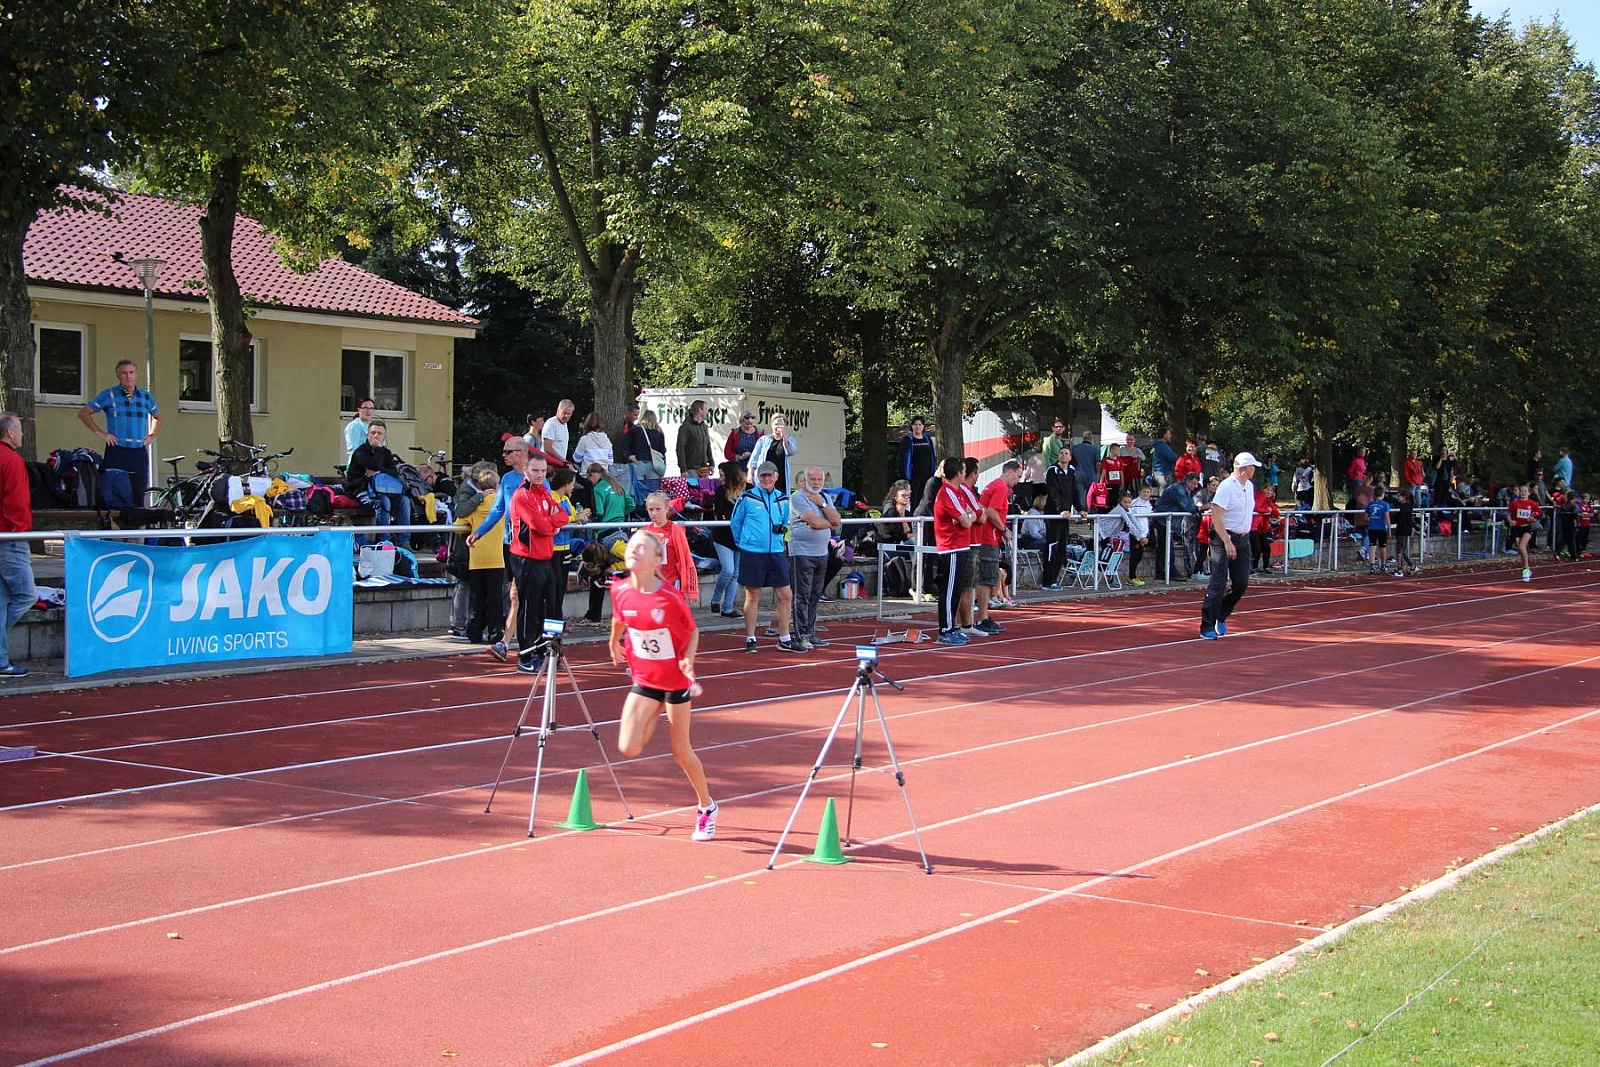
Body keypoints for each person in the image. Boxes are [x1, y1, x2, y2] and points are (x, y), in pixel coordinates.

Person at [609, 528, 718, 841]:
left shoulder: (669, 596)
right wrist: (613, 641)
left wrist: (688, 660)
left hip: (674, 680)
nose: (634, 550)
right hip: (644, 677)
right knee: (628, 746)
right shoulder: (619, 589)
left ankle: (706, 807)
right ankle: (653, 710)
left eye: (643, 546)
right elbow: (619, 618)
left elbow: (693, 631)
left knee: (680, 751)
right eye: (632, 545)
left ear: (658, 559)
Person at [468, 435, 529, 662]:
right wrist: (479, 532)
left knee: (522, 595)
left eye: (508, 452)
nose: (503, 455)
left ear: (521, 453)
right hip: (511, 545)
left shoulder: (535, 475)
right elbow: (497, 510)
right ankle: (508, 643)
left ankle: (525, 642)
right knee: (515, 595)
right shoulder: (506, 479)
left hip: (530, 547)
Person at [508, 451, 569, 673]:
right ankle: (526, 656)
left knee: (551, 605)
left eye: (543, 471)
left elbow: (563, 515)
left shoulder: (544, 491)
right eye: (535, 470)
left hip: (546, 557)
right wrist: (551, 523)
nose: (539, 475)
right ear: (526, 470)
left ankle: (547, 650)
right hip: (526, 558)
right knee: (530, 607)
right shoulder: (522, 496)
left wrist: (550, 521)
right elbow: (539, 525)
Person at [731, 461, 799, 653]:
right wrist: (745, 543)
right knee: (753, 595)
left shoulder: (783, 499)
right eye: (763, 476)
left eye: (770, 475)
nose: (767, 479)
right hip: (753, 553)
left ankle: (784, 637)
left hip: (776, 553)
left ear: (776, 477)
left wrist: (780, 536)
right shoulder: (747, 498)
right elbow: (736, 524)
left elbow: (785, 523)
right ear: (757, 478)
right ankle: (751, 638)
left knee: (785, 595)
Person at [79, 358, 160, 503]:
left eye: (131, 372)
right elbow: (84, 413)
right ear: (118, 375)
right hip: (117, 451)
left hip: (138, 452)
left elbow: (157, 417)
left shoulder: (146, 397)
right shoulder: (109, 395)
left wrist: (152, 435)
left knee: (138, 493)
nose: (128, 376)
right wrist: (101, 433)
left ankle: (136, 524)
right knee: (114, 493)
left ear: (136, 374)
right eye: (124, 373)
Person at [1200, 451, 1261, 640]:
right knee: (1218, 582)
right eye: (1252, 467)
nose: (1254, 471)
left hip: (1243, 538)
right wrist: (1227, 541)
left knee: (1241, 582)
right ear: (1244, 469)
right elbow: (1216, 515)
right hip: (1222, 538)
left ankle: (1222, 613)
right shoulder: (1226, 487)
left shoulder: (1249, 486)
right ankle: (1206, 625)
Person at [0, 413, 37, 679]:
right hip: (10, 536)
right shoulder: (11, 460)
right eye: (20, 430)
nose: (23, 434)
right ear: (10, 433)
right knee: (27, 594)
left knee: (2, 599)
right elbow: (16, 501)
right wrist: (18, 531)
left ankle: (2, 660)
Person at [788, 465, 840, 651]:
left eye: (819, 480)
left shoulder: (824, 498)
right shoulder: (798, 498)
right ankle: (800, 635)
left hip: (821, 553)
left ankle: (810, 631)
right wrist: (827, 523)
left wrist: (823, 505)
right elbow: (817, 523)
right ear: (805, 480)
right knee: (801, 595)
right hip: (801, 553)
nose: (816, 483)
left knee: (815, 594)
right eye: (812, 480)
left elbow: (837, 521)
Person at [455, 466, 507, 645]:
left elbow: (459, 521)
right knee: (495, 599)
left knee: (476, 598)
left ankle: (475, 632)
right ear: (496, 485)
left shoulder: (476, 506)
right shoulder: (501, 503)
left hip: (476, 558)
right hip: (496, 557)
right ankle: (495, 633)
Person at [931, 457, 977, 644]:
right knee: (949, 590)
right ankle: (946, 629)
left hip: (960, 546)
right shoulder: (947, 492)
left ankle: (952, 627)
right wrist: (968, 516)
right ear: (958, 473)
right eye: (963, 471)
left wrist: (968, 515)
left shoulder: (956, 492)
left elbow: (968, 514)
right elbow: (967, 520)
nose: (964, 473)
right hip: (951, 547)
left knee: (956, 589)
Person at [345, 420, 412, 546]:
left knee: (405, 501)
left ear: (384, 437)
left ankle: (404, 542)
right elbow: (374, 464)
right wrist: (379, 461)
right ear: (367, 435)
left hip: (383, 490)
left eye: (379, 433)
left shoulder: (386, 453)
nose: (376, 436)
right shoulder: (360, 452)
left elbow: (393, 473)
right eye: (373, 433)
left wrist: (379, 471)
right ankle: (383, 542)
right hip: (360, 490)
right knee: (383, 501)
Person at [975, 461, 1022, 622]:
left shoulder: (993, 485)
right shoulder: (1001, 487)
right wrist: (1004, 529)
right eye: (1018, 476)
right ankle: (982, 617)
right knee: (987, 577)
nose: (1019, 481)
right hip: (988, 537)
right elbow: (991, 511)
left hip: (987, 536)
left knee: (987, 576)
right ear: (1010, 472)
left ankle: (984, 616)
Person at [642, 491, 700, 604]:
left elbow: (687, 559)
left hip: (672, 583)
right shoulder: (645, 532)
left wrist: (692, 590)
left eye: (658, 509)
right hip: (652, 585)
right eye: (651, 509)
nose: (654, 513)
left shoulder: (675, 530)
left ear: (667, 509)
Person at [709, 462, 746, 618]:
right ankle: (716, 599)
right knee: (728, 570)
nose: (720, 478)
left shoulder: (746, 489)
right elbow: (720, 513)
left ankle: (728, 608)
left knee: (735, 573)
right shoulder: (720, 491)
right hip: (723, 536)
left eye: (723, 475)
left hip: (739, 537)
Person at [1040, 447, 1079, 589]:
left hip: (1065, 516)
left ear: (1070, 457)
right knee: (1052, 546)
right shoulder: (1052, 471)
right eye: (1061, 453)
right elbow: (1053, 491)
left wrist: (1081, 509)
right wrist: (1060, 509)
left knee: (1062, 548)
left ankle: (1054, 579)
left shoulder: (1072, 471)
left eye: (1066, 453)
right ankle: (1047, 581)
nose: (1063, 455)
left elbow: (1074, 491)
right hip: (1054, 514)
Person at [1157, 470, 1202, 579]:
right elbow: (1187, 507)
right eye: (1192, 483)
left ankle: (1164, 573)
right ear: (1186, 480)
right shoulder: (1178, 489)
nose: (1194, 486)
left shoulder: (1185, 490)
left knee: (1165, 547)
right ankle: (1169, 573)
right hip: (1164, 520)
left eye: (1196, 484)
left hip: (1168, 522)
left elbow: (1190, 505)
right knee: (1166, 547)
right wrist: (1202, 507)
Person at [897, 417, 939, 511]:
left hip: (927, 474)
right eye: (915, 425)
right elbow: (902, 458)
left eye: (920, 425)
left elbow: (932, 455)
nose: (918, 427)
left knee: (925, 497)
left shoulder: (927, 439)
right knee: (914, 498)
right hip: (914, 475)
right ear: (912, 426)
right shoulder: (908, 439)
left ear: (923, 426)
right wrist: (904, 474)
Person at [747, 412, 798, 488]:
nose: (778, 426)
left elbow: (792, 451)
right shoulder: (763, 440)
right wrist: (750, 475)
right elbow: (754, 459)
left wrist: (784, 436)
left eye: (781, 424)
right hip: (764, 476)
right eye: (776, 424)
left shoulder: (789, 440)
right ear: (772, 425)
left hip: (781, 477)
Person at [1507, 484, 1539, 582]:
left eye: (1525, 491)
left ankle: (1526, 569)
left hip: (1528, 528)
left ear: (1529, 493)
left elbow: (1539, 514)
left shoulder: (1532, 504)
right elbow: (1508, 514)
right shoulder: (1515, 503)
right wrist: (1510, 521)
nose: (1523, 493)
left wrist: (1533, 518)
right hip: (1517, 528)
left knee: (1521, 546)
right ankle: (1526, 567)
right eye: (1521, 491)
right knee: (1520, 548)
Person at [676, 400, 715, 477]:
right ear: (700, 410)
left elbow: (708, 445)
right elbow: (680, 448)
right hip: (691, 468)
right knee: (693, 488)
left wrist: (711, 463)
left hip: (704, 468)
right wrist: (683, 469)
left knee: (706, 489)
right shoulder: (686, 427)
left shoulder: (704, 427)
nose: (707, 411)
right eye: (706, 409)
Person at [1126, 482, 1154, 585]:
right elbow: (1132, 520)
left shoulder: (1148, 504)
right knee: (1135, 556)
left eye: (1148, 492)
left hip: (1143, 533)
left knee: (1139, 556)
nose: (1146, 494)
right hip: (1136, 534)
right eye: (1144, 492)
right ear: (1140, 492)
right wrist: (1139, 535)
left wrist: (1145, 535)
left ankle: (1133, 575)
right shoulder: (1134, 503)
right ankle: (1131, 577)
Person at [1070, 430, 1099, 513]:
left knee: (1079, 496)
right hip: (1091, 474)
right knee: (1091, 496)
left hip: (1078, 474)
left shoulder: (1075, 448)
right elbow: (1098, 463)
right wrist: (1098, 473)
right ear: (1091, 438)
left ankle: (1078, 516)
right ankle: (1090, 515)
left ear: (1083, 438)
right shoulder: (1095, 448)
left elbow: (1071, 462)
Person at [542, 400, 575, 468]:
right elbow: (547, 448)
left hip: (558, 464)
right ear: (558, 410)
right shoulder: (551, 424)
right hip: (549, 464)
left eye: (569, 414)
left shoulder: (564, 424)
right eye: (564, 413)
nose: (566, 416)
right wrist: (562, 460)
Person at [343, 397, 376, 465]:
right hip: (358, 465)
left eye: (371, 408)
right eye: (365, 408)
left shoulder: (375, 426)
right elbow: (353, 450)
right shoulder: (354, 426)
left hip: (374, 463)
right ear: (359, 410)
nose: (368, 411)